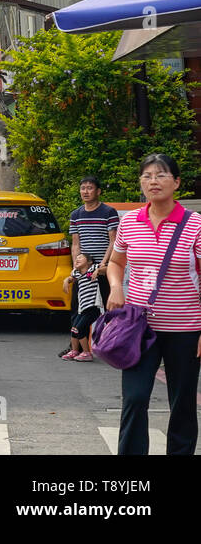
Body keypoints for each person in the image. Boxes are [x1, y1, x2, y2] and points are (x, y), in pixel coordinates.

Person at [108, 153, 201, 455]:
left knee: (183, 401)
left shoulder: (196, 225)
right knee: (134, 398)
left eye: (161, 175)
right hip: (139, 327)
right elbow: (116, 262)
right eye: (147, 175)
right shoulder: (131, 222)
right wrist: (115, 288)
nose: (153, 181)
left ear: (176, 182)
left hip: (185, 327)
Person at [69, 176, 118, 313]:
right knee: (79, 309)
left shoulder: (109, 212)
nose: (85, 192)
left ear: (98, 191)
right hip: (83, 268)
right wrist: (76, 265)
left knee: (109, 307)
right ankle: (79, 334)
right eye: (83, 188)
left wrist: (103, 263)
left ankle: (110, 334)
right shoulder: (76, 215)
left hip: (102, 269)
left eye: (90, 188)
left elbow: (113, 240)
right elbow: (75, 244)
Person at [61, 252, 102, 362]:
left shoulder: (92, 268)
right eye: (76, 258)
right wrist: (66, 280)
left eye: (81, 258)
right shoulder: (77, 273)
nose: (77, 259)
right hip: (82, 307)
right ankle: (75, 351)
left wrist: (98, 270)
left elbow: (106, 268)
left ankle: (87, 353)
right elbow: (71, 277)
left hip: (92, 307)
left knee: (79, 329)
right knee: (74, 329)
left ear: (89, 262)